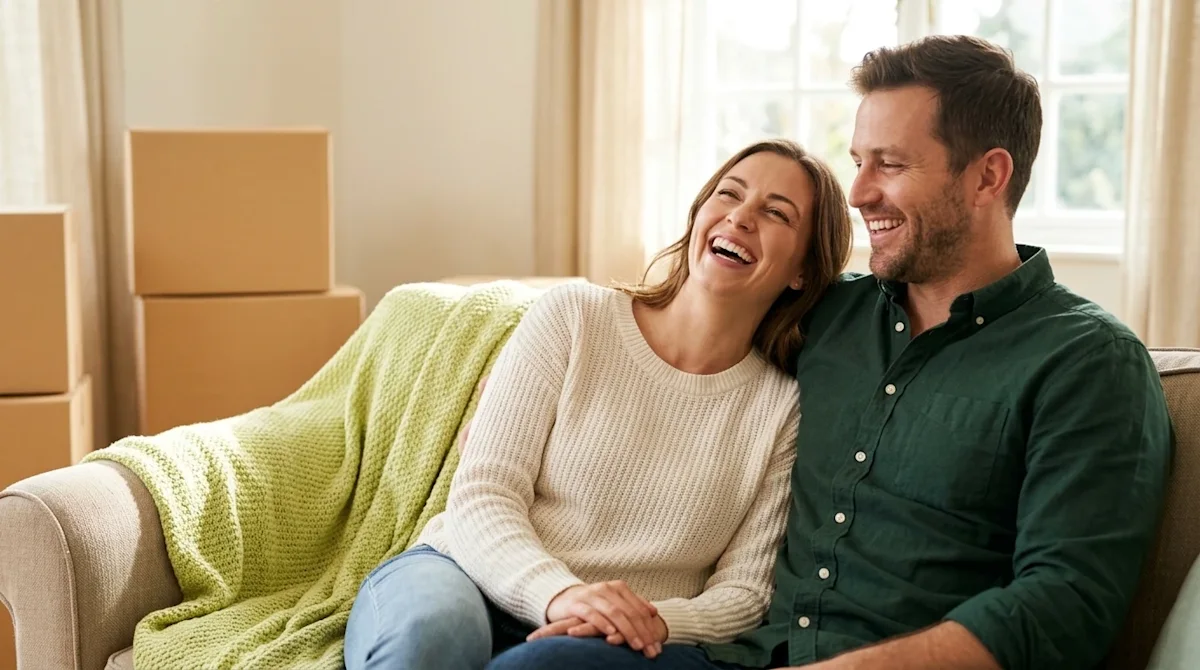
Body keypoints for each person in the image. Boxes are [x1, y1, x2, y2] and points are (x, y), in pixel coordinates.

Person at [480, 35, 1173, 670]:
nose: (861, 192)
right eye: (859, 162)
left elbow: (1065, 604)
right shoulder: (827, 314)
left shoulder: (1088, 362)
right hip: (736, 658)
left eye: (891, 165)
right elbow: (692, 319)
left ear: (989, 177)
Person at [342, 138, 856, 670]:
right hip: (464, 573)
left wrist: (652, 620)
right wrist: (560, 593)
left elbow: (746, 592)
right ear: (701, 213)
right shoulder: (574, 317)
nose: (742, 217)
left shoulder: (784, 410)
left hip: (615, 633)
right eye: (729, 194)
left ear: (802, 271)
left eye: (776, 213)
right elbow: (484, 494)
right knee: (428, 642)